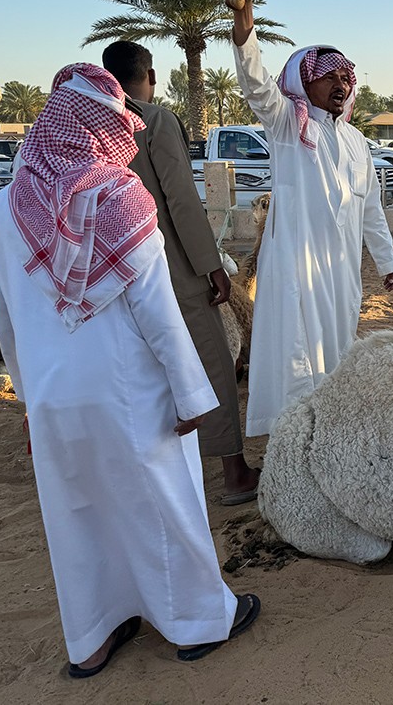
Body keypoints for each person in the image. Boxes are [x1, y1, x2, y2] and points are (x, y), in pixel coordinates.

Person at [0, 64, 259, 678]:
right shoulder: (121, 197)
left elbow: (6, 324)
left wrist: (31, 402)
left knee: (77, 517)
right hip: (132, 395)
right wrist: (194, 396)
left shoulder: (4, 209)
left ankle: (93, 639)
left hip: (55, 402)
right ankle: (195, 624)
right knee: (165, 505)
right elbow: (161, 316)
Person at [226, 0, 393, 437]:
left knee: (338, 343)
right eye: (328, 76)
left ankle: (330, 429)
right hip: (296, 266)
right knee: (296, 350)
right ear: (305, 82)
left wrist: (386, 260)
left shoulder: (358, 142)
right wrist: (245, 26)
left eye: (345, 76)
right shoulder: (288, 126)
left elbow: (370, 209)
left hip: (341, 269)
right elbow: (257, 85)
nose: (340, 84)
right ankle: (293, 438)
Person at [102, 40, 260, 504]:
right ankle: (234, 473)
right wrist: (212, 267)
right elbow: (180, 201)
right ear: (149, 76)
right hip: (166, 264)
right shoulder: (153, 121)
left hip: (109, 273)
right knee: (210, 354)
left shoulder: (87, 125)